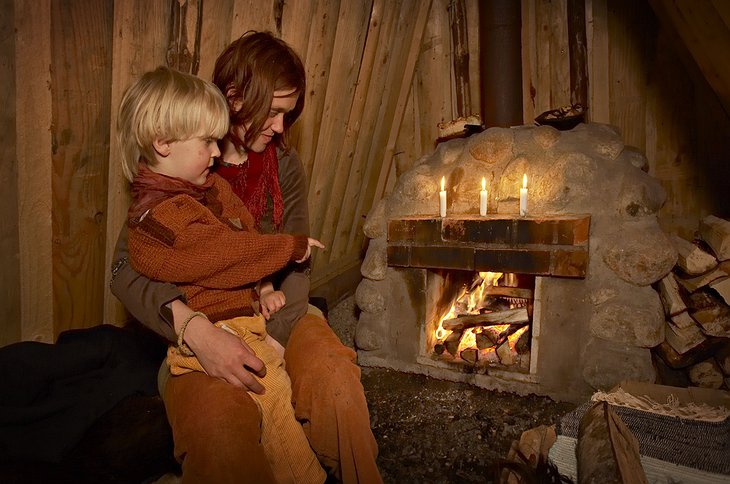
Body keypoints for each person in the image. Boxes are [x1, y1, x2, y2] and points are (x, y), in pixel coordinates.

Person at [110, 31, 382, 483]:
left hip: (280, 314)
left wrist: (274, 332)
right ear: (235, 98)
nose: (280, 127)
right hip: (202, 332)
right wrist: (195, 331)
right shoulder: (186, 157)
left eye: (288, 115)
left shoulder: (285, 166)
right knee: (219, 433)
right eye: (274, 111)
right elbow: (125, 270)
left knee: (336, 386)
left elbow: (298, 259)